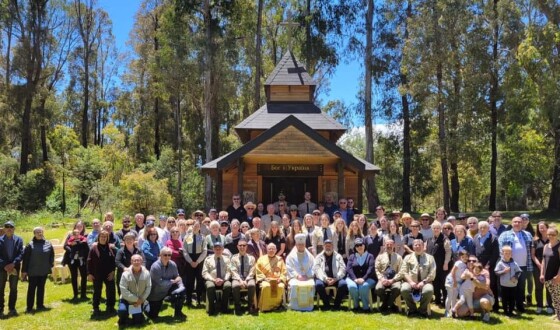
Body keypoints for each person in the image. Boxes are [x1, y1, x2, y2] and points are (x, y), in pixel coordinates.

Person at [498, 216, 534, 314]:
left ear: (522, 223)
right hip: (510, 265)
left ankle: (520, 305)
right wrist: (504, 263)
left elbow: (531, 249)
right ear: (511, 223)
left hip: (524, 266)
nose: (517, 224)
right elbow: (501, 251)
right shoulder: (504, 234)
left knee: (521, 287)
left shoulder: (528, 234)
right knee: (510, 286)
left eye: (519, 222)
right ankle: (510, 306)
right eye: (515, 222)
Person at [400, 239, 436, 317]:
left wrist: (423, 282)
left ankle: (422, 310)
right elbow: (404, 272)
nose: (418, 246)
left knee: (429, 290)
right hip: (411, 282)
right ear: (413, 247)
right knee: (404, 289)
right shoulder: (407, 257)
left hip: (425, 282)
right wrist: (410, 282)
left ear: (423, 246)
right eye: (415, 245)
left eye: (420, 245)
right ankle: (412, 309)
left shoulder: (430, 258)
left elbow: (432, 273)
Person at [147, 247, 186, 320]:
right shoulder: (155, 266)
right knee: (152, 316)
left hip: (168, 288)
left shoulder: (173, 264)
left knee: (181, 293)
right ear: (160, 255)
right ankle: (145, 306)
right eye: (165, 255)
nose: (167, 257)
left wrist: (181, 287)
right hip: (156, 293)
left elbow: (177, 277)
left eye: (169, 255)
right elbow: (159, 282)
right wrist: (173, 281)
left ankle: (178, 313)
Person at [21, 227, 54, 313]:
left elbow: (51, 255)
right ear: (34, 234)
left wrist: (50, 265)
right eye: (37, 232)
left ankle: (40, 305)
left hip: (43, 270)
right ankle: (29, 307)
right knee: (31, 289)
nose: (39, 233)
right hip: (33, 271)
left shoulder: (48, 244)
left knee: (41, 288)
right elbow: (26, 259)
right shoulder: (30, 245)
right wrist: (24, 271)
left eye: (41, 232)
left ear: (43, 232)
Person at [455, 255, 495, 323]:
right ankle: (478, 311)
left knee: (484, 302)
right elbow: (461, 278)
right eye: (469, 261)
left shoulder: (484, 272)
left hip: (484, 297)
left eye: (473, 261)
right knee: (460, 313)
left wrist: (472, 279)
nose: (471, 262)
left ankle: (487, 312)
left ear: (477, 262)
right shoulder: (466, 271)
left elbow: (486, 286)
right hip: (471, 299)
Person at [87, 230, 117, 316]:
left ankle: (110, 306)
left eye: (105, 237)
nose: (103, 238)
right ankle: (96, 307)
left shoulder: (110, 248)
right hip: (97, 273)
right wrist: (89, 273)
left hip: (109, 273)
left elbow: (113, 261)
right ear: (98, 238)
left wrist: (112, 272)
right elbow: (89, 261)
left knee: (111, 290)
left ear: (107, 238)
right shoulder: (94, 248)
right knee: (97, 291)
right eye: (101, 237)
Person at [472, 220, 500, 312]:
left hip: (489, 266)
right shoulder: (476, 237)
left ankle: (494, 306)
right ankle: (480, 305)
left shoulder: (493, 238)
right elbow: (474, 251)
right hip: (477, 266)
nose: (482, 229)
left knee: (491, 284)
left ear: (488, 228)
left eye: (484, 227)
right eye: (480, 228)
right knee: (478, 284)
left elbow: (495, 254)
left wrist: (487, 266)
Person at [313, 239, 347, 310]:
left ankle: (336, 305)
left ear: (333, 247)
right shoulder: (318, 257)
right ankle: (326, 304)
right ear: (323, 247)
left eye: (330, 246)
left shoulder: (338, 256)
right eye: (326, 246)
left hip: (336, 278)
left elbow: (343, 269)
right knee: (318, 285)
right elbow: (317, 269)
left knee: (343, 284)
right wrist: (325, 278)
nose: (328, 247)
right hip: (324, 279)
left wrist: (336, 278)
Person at [117, 254, 151, 326]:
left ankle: (139, 315)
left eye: (138, 260)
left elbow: (148, 287)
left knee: (138, 322)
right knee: (122, 311)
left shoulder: (147, 273)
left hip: (140, 300)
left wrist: (141, 300)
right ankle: (122, 319)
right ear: (131, 262)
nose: (136, 262)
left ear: (141, 262)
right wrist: (136, 299)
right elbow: (123, 290)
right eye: (134, 260)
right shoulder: (125, 274)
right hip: (126, 299)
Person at [285, 233, 315, 311]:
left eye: (302, 244)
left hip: (307, 277)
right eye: (299, 244)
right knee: (294, 285)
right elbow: (289, 268)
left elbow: (314, 267)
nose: (301, 246)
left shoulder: (310, 256)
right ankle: (295, 306)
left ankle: (308, 306)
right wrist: (297, 276)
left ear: (305, 244)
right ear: (296, 244)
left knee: (310, 285)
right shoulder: (290, 256)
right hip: (295, 277)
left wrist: (308, 275)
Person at [0, 220, 24, 317]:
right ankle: (0, 309)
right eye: (7, 227)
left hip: (15, 267)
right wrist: (5, 265)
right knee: (0, 288)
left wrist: (13, 264)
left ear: (14, 229)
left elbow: (21, 253)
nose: (9, 229)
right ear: (4, 229)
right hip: (2, 268)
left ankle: (12, 308)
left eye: (11, 227)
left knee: (13, 288)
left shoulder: (19, 239)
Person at [425, 220, 451, 308]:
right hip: (433, 266)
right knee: (435, 283)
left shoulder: (445, 239)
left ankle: (445, 302)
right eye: (434, 228)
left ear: (440, 229)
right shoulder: (429, 240)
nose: (436, 229)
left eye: (438, 228)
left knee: (444, 284)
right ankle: (437, 300)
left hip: (443, 265)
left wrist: (446, 263)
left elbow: (448, 252)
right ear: (432, 229)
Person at [202, 242, 232, 315]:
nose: (218, 251)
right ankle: (211, 308)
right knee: (210, 286)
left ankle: (224, 307)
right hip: (211, 280)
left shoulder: (227, 259)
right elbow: (205, 272)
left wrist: (224, 279)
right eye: (216, 249)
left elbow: (229, 271)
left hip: (224, 280)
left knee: (228, 285)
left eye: (220, 249)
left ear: (223, 249)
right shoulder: (208, 259)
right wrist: (213, 280)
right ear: (213, 249)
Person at [346, 238, 376, 312]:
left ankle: (366, 307)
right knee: (352, 287)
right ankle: (356, 305)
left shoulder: (370, 256)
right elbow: (349, 269)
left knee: (364, 286)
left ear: (364, 246)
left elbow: (371, 269)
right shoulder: (351, 256)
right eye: (357, 245)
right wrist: (355, 279)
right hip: (352, 278)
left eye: (361, 245)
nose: (359, 247)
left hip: (368, 278)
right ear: (355, 248)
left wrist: (363, 279)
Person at [255, 243, 287, 312]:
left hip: (277, 280)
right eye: (269, 249)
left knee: (281, 286)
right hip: (265, 280)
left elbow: (284, 271)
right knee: (266, 286)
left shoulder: (280, 260)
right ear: (267, 250)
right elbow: (258, 270)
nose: (271, 250)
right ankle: (265, 307)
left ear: (276, 250)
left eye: (273, 249)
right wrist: (265, 279)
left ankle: (278, 306)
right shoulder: (261, 259)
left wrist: (280, 279)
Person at [182, 221, 207, 306]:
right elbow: (184, 250)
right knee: (190, 280)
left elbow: (204, 251)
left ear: (200, 227)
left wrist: (197, 262)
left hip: (199, 260)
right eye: (195, 226)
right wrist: (190, 261)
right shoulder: (188, 237)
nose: (196, 227)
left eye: (198, 226)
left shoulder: (202, 238)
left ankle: (199, 299)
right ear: (192, 227)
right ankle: (189, 299)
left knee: (199, 280)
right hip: (190, 260)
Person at [375, 239, 403, 312]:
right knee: (378, 289)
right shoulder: (380, 257)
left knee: (397, 288)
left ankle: (385, 305)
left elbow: (401, 271)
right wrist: (381, 279)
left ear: (394, 245)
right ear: (384, 245)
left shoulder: (399, 257)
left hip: (395, 280)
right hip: (383, 279)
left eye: (391, 244)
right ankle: (391, 305)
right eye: (387, 244)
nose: (389, 246)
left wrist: (393, 280)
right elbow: (377, 269)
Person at [230, 238, 257, 315]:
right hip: (237, 278)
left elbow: (252, 271)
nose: (242, 247)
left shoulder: (251, 258)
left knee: (252, 285)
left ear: (246, 246)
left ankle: (250, 306)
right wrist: (240, 280)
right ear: (237, 246)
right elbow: (233, 271)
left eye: (244, 245)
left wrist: (246, 280)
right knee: (235, 286)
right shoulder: (233, 258)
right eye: (240, 245)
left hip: (248, 278)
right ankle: (237, 306)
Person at [495, 245, 522, 316]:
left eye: (509, 253)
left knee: (512, 299)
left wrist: (515, 277)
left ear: (511, 254)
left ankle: (511, 311)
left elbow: (519, 271)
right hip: (504, 284)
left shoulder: (514, 263)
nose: (507, 254)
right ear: (502, 254)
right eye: (506, 253)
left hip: (513, 284)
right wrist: (503, 271)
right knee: (505, 299)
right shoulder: (500, 263)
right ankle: (505, 311)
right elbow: (496, 272)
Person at [63, 226, 89, 300]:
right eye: (77, 226)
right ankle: (75, 295)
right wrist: (71, 249)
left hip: (82, 258)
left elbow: (86, 247)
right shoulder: (70, 236)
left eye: (80, 226)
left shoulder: (85, 236)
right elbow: (65, 246)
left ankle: (83, 294)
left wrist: (79, 244)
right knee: (74, 277)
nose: (79, 228)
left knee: (84, 276)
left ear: (83, 227)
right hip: (72, 259)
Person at [533, 221, 553, 314]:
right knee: (538, 287)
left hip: (550, 267)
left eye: (543, 227)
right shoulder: (535, 241)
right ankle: (539, 305)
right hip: (538, 266)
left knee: (549, 286)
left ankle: (549, 305)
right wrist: (539, 265)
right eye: (540, 228)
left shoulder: (552, 239)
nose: (542, 229)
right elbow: (533, 255)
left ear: (547, 227)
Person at [541, 226, 560, 321]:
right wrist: (542, 274)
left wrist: (558, 276)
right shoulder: (546, 246)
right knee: (554, 297)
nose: (551, 236)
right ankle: (558, 314)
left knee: (558, 296)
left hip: (557, 277)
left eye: (553, 234)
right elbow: (543, 261)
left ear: (557, 235)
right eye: (549, 234)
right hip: (547, 276)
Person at [445, 250, 469, 317]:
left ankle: (453, 310)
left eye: (466, 256)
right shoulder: (458, 263)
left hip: (458, 283)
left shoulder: (465, 265)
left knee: (454, 297)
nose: (465, 258)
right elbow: (453, 272)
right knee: (449, 296)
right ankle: (446, 311)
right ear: (460, 257)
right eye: (463, 256)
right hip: (451, 281)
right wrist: (454, 281)